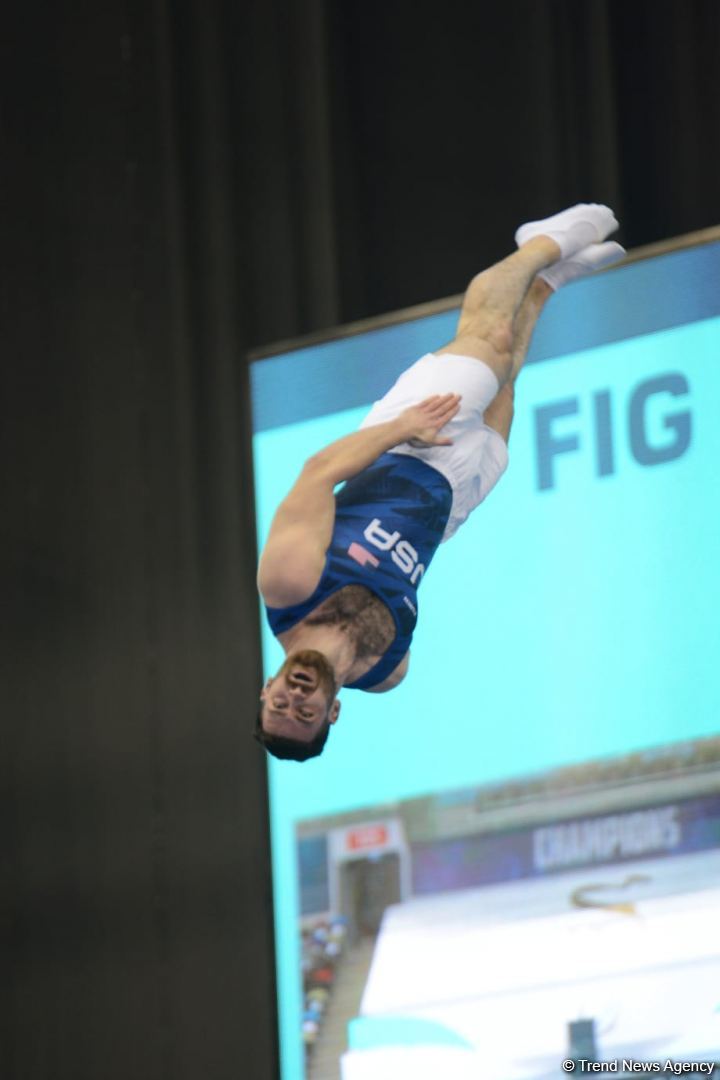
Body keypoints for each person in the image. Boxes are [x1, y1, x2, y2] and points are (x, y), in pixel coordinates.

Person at [255, 204, 625, 761]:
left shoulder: (287, 588)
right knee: (507, 382)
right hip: (449, 502)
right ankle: (545, 284)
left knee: (490, 337)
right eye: (303, 714)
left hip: (404, 446)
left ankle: (540, 246)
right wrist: (453, 507)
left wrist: (401, 426)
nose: (293, 700)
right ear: (333, 712)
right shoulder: (387, 672)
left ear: (267, 689)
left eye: (278, 704)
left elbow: (318, 473)